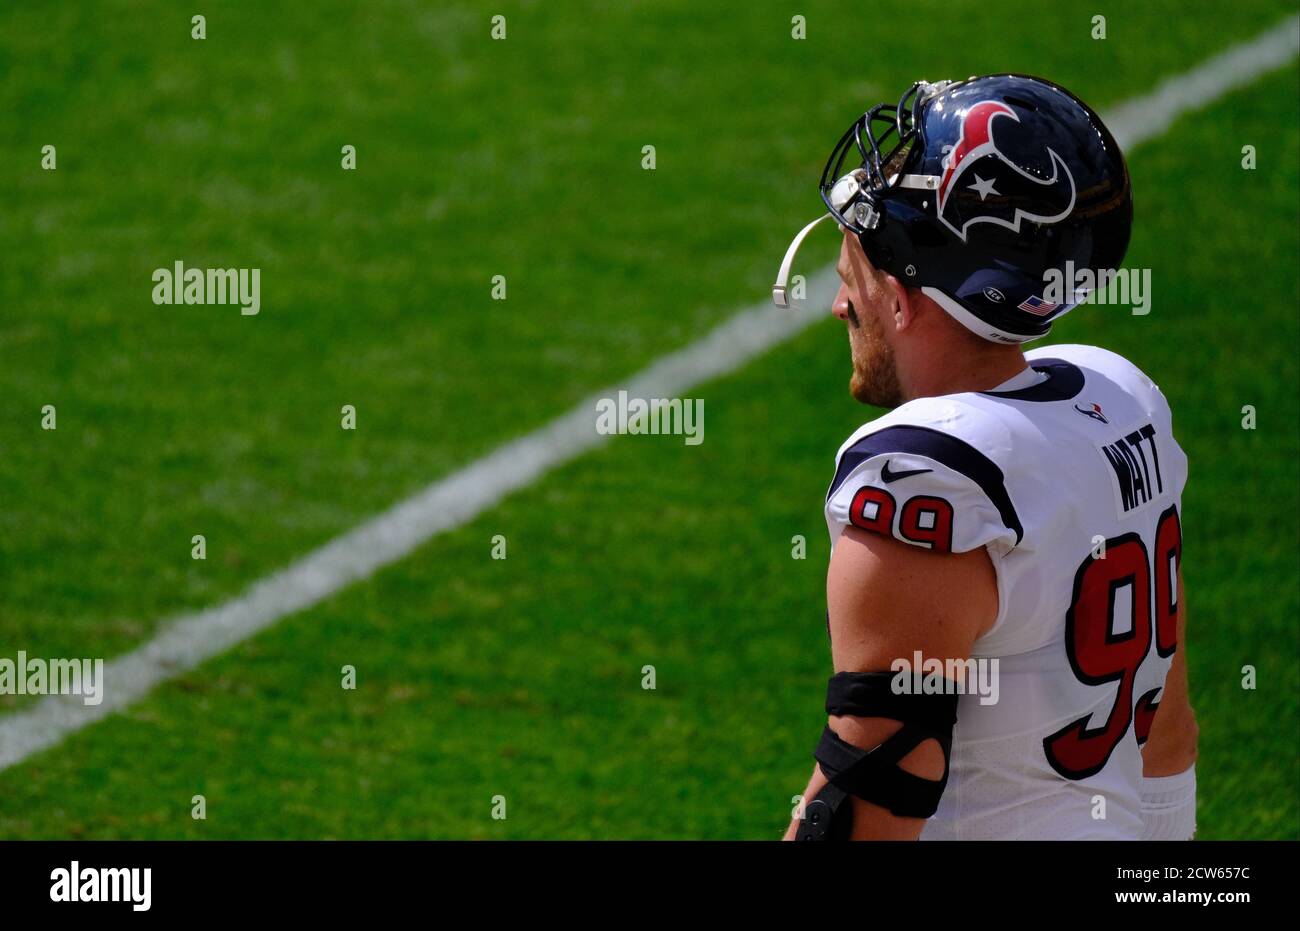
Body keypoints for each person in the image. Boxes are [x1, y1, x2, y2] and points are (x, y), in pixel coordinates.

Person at [773, 74, 1198, 840]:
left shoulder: (924, 472)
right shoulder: (1121, 399)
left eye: (856, 283)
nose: (843, 305)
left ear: (905, 297)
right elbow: (1167, 730)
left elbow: (866, 798)